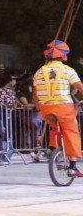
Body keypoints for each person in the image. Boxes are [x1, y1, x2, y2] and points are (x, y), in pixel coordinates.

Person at [33, 40, 83, 177]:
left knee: (56, 128)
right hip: (63, 107)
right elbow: (81, 88)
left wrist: (40, 110)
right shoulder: (68, 70)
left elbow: (35, 96)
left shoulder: (39, 72)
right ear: (64, 56)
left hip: (45, 108)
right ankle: (73, 167)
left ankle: (52, 148)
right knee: (72, 132)